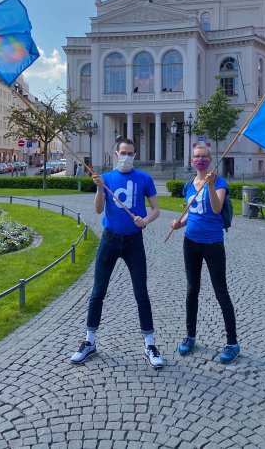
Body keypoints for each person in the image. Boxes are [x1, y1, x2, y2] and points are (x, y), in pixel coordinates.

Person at [70, 138, 163, 368]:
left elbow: (156, 209)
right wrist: (100, 188)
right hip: (110, 240)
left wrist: (146, 220)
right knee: (97, 291)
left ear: (135, 154)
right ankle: (89, 341)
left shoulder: (144, 178)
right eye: (123, 152)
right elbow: (98, 209)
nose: (127, 156)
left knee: (141, 292)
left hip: (134, 242)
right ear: (116, 153)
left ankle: (149, 344)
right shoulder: (107, 179)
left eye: (131, 153)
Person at [170, 143, 240, 364]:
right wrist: (179, 223)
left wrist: (210, 185)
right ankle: (190, 336)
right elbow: (192, 212)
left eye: (204, 156)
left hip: (213, 244)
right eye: (197, 156)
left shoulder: (219, 182)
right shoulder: (189, 185)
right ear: (192, 161)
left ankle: (232, 343)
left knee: (221, 292)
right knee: (192, 291)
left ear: (211, 158)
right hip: (191, 243)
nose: (200, 159)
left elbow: (217, 207)